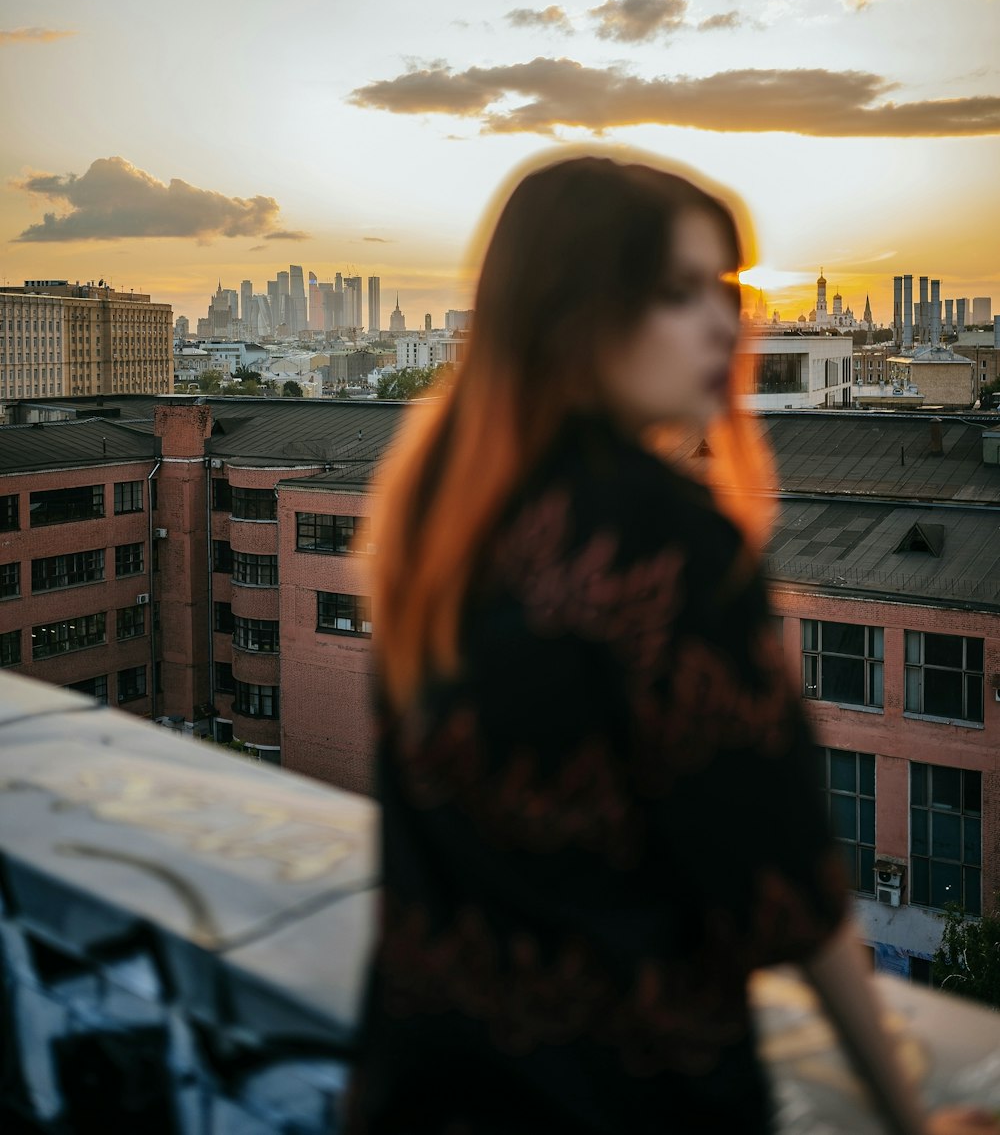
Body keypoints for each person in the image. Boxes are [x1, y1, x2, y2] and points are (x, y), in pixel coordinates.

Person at [347, 149, 997, 1135]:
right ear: (576, 315)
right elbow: (786, 885)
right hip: (630, 1099)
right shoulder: (665, 543)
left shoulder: (434, 519)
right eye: (675, 292)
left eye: (724, 289)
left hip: (430, 1092)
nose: (724, 323)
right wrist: (908, 1118)